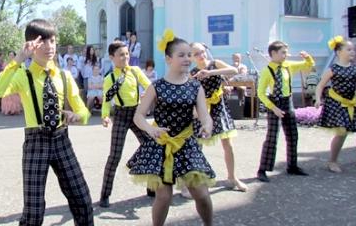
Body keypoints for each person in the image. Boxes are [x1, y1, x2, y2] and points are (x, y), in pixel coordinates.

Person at [0, 19, 94, 225]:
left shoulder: (64, 76)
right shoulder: (22, 74)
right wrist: (19, 59)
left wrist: (78, 116)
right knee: (34, 211)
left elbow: (83, 110)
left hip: (62, 140)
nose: (49, 47)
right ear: (31, 45)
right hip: (35, 142)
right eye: (43, 42)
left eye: (53, 41)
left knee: (82, 200)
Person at [127, 29, 215, 226]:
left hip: (186, 144)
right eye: (181, 55)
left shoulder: (195, 87)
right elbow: (138, 116)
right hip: (161, 145)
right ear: (168, 59)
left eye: (189, 55)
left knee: (201, 194)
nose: (187, 59)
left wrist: (207, 127)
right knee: (164, 197)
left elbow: (205, 116)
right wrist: (151, 130)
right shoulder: (156, 86)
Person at [99, 40, 151, 207]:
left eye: (127, 54)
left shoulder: (135, 71)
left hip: (137, 115)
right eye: (121, 54)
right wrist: (105, 116)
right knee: (114, 156)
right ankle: (105, 195)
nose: (125, 57)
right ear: (112, 57)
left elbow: (149, 87)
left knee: (151, 146)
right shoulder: (110, 78)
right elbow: (107, 100)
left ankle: (152, 187)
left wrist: (147, 96)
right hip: (121, 116)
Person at [315, 36, 356, 173]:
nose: (352, 52)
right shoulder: (333, 69)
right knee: (341, 133)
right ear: (338, 52)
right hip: (337, 104)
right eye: (348, 49)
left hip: (354, 103)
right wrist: (318, 99)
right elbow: (320, 86)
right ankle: (332, 161)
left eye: (353, 50)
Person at [189, 42, 247, 192]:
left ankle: (232, 177)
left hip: (219, 107)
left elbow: (233, 70)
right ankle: (193, 182)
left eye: (202, 51)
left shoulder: (214, 64)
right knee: (197, 146)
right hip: (203, 109)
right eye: (197, 54)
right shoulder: (193, 72)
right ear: (192, 57)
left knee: (227, 143)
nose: (201, 55)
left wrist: (210, 73)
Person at [256, 40, 315, 182]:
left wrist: (307, 57)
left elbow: (308, 65)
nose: (286, 55)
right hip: (274, 104)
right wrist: (274, 108)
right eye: (283, 52)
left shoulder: (288, 66)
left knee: (293, 136)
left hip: (287, 102)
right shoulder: (267, 70)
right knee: (272, 138)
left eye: (286, 52)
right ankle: (262, 170)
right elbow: (261, 93)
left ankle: (292, 166)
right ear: (273, 53)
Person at [0, 51, 22, 116]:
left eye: (12, 55)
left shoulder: (18, 63)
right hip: (7, 80)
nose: (11, 56)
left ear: (15, 56)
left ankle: (15, 110)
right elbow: (3, 72)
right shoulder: (5, 63)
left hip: (15, 80)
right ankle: (8, 109)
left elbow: (20, 72)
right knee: (7, 95)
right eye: (9, 55)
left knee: (15, 95)